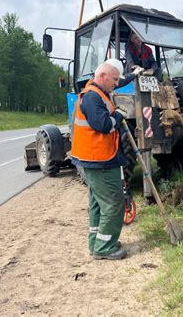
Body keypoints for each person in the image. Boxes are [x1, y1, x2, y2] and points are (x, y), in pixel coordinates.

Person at [71, 59, 143, 260]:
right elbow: (103, 125)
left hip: (97, 158)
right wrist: (119, 115)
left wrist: (133, 74)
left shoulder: (99, 90)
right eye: (114, 79)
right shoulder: (93, 98)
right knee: (113, 202)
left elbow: (118, 81)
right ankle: (105, 248)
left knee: (97, 203)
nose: (116, 83)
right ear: (102, 76)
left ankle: (98, 242)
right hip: (100, 159)